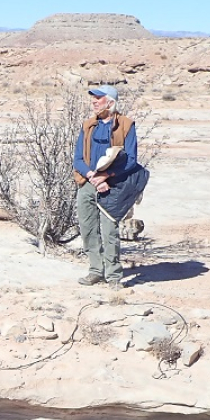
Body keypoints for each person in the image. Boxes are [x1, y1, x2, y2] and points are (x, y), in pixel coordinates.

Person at [73, 84, 144, 287]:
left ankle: (113, 276)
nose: (94, 102)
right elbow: (78, 158)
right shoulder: (88, 125)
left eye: (99, 98)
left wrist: (106, 176)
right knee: (88, 228)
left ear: (110, 102)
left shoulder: (126, 125)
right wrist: (91, 176)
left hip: (113, 184)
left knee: (109, 231)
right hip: (87, 183)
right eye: (93, 99)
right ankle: (96, 270)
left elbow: (131, 160)